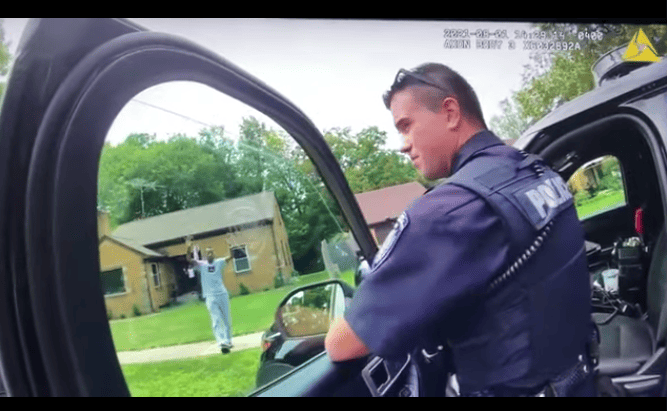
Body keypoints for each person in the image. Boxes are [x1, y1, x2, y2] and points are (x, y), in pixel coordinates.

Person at [324, 63, 597, 397]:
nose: (403, 145)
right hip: (579, 381)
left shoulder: (446, 213)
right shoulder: (536, 171)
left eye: (406, 126)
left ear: (450, 112)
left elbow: (342, 344)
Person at [187, 239, 234, 354]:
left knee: (226, 319)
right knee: (216, 319)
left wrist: (230, 245)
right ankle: (221, 341)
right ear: (205, 255)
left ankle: (228, 340)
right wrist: (188, 248)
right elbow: (189, 260)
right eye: (207, 252)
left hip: (222, 294)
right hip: (210, 296)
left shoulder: (219, 262)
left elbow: (231, 256)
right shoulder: (201, 265)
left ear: (214, 254)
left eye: (211, 252)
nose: (209, 254)